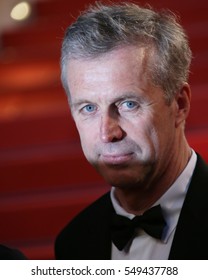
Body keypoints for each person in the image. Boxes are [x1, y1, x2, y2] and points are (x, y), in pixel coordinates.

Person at [55, 2, 208, 260]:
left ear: (179, 104)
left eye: (128, 104)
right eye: (89, 108)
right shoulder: (73, 241)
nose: (107, 133)